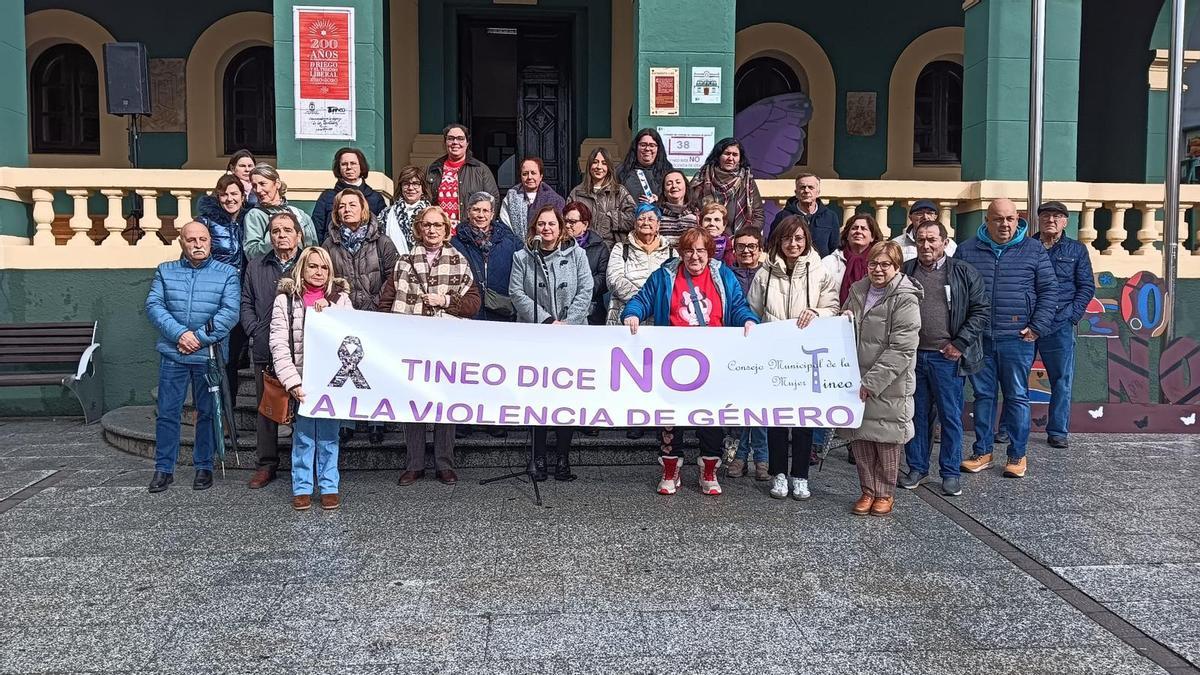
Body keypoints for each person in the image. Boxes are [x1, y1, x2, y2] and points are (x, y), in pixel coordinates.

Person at [622, 227, 759, 496]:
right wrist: (633, 314)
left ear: (709, 253)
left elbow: (738, 305)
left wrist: (748, 319)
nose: (695, 256)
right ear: (680, 252)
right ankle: (670, 470)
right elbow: (642, 300)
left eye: (700, 251)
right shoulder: (665, 276)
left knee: (711, 418)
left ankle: (709, 471)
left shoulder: (723, 276)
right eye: (689, 250)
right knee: (670, 418)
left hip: (713, 361)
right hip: (672, 361)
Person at [954, 198, 1057, 479]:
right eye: (999, 219)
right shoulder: (967, 250)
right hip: (980, 338)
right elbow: (955, 293)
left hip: (1018, 338)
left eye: (1010, 218)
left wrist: (1037, 326)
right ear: (987, 221)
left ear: (1018, 219)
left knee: (1017, 396)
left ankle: (1017, 455)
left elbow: (1049, 291)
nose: (1005, 224)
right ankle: (982, 452)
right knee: (984, 396)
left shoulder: (1033, 250)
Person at [378, 206, 481, 487]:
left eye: (438, 225)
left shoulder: (459, 261)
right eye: (427, 225)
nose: (432, 230)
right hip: (411, 343)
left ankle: (444, 464)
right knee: (414, 403)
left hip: (447, 345)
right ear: (418, 229)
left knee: (444, 404)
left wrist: (445, 301)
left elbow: (473, 303)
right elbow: (387, 302)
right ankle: (414, 464)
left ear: (447, 230)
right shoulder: (404, 262)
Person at [746, 215, 840, 501]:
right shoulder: (765, 271)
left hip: (806, 356)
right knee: (775, 417)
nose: (793, 244)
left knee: (802, 420)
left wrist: (818, 313)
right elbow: (753, 308)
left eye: (799, 238)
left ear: (806, 240)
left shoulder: (820, 270)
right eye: (788, 238)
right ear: (779, 240)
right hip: (774, 354)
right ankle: (778, 474)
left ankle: (800, 475)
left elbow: (833, 306)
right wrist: (752, 325)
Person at [144, 221, 240, 493]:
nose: (198, 244)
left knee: (208, 413)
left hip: (207, 355)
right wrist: (181, 335)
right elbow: (154, 306)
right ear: (182, 243)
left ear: (211, 241)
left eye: (203, 239)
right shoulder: (166, 271)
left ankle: (204, 467)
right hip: (174, 354)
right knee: (168, 413)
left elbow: (229, 312)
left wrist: (198, 338)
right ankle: (164, 469)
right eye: (191, 240)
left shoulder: (227, 273)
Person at [898, 221, 990, 497]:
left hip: (946, 357)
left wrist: (959, 344)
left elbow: (980, 310)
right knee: (916, 417)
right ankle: (917, 467)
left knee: (950, 417)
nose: (926, 246)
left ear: (944, 241)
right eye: (921, 240)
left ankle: (949, 473)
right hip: (913, 357)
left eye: (932, 240)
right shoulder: (905, 272)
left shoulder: (962, 271)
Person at [510, 205, 594, 482]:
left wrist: (568, 324)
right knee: (538, 399)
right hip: (537, 337)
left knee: (565, 398)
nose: (546, 229)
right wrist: (547, 322)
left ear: (561, 228)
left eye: (551, 225)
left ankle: (563, 458)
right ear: (534, 228)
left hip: (571, 337)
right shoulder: (522, 257)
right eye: (541, 225)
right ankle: (538, 458)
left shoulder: (578, 255)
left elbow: (586, 289)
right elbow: (516, 292)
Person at [838, 241, 921, 516]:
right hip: (856, 377)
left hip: (889, 384)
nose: (878, 269)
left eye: (885, 264)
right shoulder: (858, 290)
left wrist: (871, 383)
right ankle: (867, 490)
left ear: (896, 267)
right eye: (873, 263)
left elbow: (902, 348)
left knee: (885, 440)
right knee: (860, 438)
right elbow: (844, 325)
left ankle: (885, 492)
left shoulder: (905, 297)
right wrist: (844, 318)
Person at [269, 246, 352, 511]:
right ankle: (302, 486)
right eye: (313, 266)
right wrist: (291, 381)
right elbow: (279, 344)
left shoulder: (340, 299)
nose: (318, 272)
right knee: (304, 436)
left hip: (331, 380)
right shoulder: (286, 300)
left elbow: (353, 335)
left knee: (329, 435)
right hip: (301, 378)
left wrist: (330, 312)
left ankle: (329, 485)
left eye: (324, 267)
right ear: (302, 268)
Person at [322, 188, 400, 446]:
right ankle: (347, 421)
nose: (347, 209)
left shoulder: (382, 241)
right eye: (342, 206)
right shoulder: (330, 243)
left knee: (374, 368)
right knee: (346, 367)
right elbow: (324, 278)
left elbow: (394, 276)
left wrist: (379, 304)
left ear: (363, 208)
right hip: (344, 315)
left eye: (352, 204)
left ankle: (377, 421)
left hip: (376, 313)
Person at [240, 212, 303, 489]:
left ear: (298, 235)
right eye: (276, 231)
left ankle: (303, 464)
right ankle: (266, 464)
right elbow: (245, 303)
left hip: (304, 349)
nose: (281, 236)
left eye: (287, 230)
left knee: (304, 407)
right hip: (267, 346)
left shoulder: (310, 261)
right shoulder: (256, 266)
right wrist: (255, 329)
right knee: (267, 409)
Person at [1027, 201, 1095, 449]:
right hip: (1028, 324)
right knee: (1014, 380)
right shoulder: (1026, 247)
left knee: (1061, 380)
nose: (1051, 221)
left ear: (1065, 221)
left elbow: (1086, 287)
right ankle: (1010, 428)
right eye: (1046, 216)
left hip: (1059, 324)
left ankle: (1057, 431)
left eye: (1057, 216)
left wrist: (1072, 316)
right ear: (1039, 220)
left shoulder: (1076, 250)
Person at [195, 174, 249, 389]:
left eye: (234, 193)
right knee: (219, 353)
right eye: (224, 194)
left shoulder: (250, 219)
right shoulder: (206, 222)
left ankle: (230, 408)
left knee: (236, 353)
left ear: (243, 196)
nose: (229, 199)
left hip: (243, 293)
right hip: (216, 296)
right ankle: (216, 409)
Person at [451, 191, 523, 322]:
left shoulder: (510, 242)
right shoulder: (455, 243)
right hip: (469, 313)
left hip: (501, 312)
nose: (481, 215)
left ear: (492, 214)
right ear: (468, 212)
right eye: (476, 210)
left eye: (485, 210)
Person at [425, 123, 500, 226]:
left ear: (467, 142)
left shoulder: (480, 170)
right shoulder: (433, 169)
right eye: (451, 138)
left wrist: (482, 230)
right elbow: (425, 201)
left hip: (469, 234)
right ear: (445, 142)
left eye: (460, 138)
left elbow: (493, 201)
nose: (455, 142)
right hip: (439, 234)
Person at [311, 147, 388, 243]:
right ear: (339, 168)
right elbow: (317, 230)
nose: (349, 167)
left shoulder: (375, 198)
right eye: (344, 164)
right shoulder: (327, 197)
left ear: (361, 166)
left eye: (353, 163)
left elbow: (382, 230)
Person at [243, 163, 318, 258]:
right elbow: (252, 254)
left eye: (262, 184)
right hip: (271, 269)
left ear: (277, 184)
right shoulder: (255, 215)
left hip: (299, 269)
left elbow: (314, 249)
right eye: (254, 185)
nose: (258, 190)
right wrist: (275, 233)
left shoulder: (299, 214)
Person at [689, 138, 764, 232]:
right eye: (727, 154)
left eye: (735, 155)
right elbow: (689, 208)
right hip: (704, 238)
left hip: (736, 241)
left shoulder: (747, 181)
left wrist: (742, 238)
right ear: (718, 156)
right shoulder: (701, 177)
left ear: (740, 159)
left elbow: (758, 216)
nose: (730, 158)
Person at [568, 146, 636, 246]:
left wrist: (612, 217)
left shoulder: (619, 192)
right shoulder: (577, 193)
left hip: (612, 249)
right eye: (595, 162)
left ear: (609, 168)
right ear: (589, 165)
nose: (599, 167)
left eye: (604, 163)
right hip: (582, 248)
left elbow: (634, 219)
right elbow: (566, 222)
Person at [563, 201, 610, 326]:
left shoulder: (600, 247)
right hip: (561, 307)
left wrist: (583, 289)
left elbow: (603, 277)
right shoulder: (557, 245)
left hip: (592, 309)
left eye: (572, 222)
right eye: (565, 221)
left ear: (585, 224)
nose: (567, 225)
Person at [767, 173, 839, 255]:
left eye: (811, 187)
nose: (806, 191)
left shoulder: (830, 217)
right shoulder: (783, 216)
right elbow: (772, 245)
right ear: (796, 193)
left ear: (818, 193)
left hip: (821, 266)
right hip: (790, 266)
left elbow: (834, 248)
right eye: (802, 187)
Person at [823, 213, 885, 304]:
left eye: (863, 229)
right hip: (837, 315)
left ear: (872, 237)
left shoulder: (881, 264)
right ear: (847, 235)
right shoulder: (829, 263)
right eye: (854, 228)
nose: (858, 231)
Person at [499, 156, 566, 238]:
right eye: (525, 174)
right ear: (520, 176)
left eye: (533, 173)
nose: (529, 177)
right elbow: (505, 226)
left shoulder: (555, 200)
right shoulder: (510, 198)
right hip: (515, 247)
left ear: (541, 176)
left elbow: (560, 229)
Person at [379, 165, 431, 252]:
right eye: (406, 184)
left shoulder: (432, 213)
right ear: (401, 187)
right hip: (394, 263)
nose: (410, 188)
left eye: (415, 184)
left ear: (423, 188)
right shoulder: (387, 213)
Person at [616, 128, 674, 205]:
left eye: (652, 145)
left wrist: (660, 201)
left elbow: (679, 200)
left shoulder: (668, 172)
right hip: (628, 215)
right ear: (636, 147)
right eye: (643, 145)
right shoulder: (621, 171)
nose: (647, 149)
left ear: (658, 148)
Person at [658, 170, 698, 242]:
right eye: (669, 183)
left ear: (686, 187)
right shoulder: (656, 216)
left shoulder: (696, 216)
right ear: (664, 192)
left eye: (678, 182)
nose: (674, 186)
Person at [698, 202, 737, 266]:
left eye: (717, 220)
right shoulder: (692, 242)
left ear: (724, 225)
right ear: (701, 224)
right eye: (708, 219)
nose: (712, 223)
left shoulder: (731, 248)